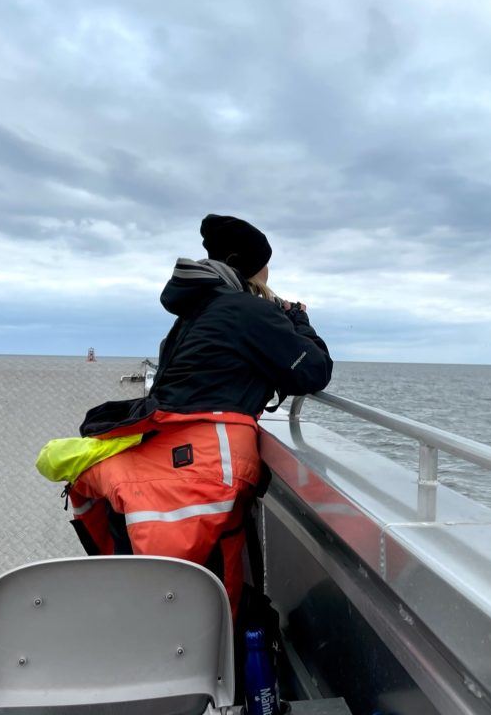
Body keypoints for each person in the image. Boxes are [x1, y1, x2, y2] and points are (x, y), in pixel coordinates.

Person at [67, 214, 332, 617]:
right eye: (265, 266)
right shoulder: (245, 310)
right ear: (247, 265)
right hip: (204, 467)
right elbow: (313, 371)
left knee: (146, 595)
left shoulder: (193, 313)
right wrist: (298, 322)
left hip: (156, 460)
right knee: (200, 600)